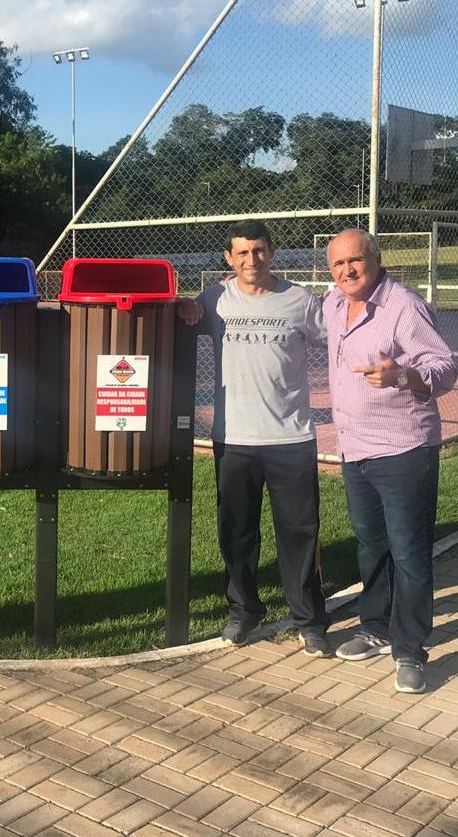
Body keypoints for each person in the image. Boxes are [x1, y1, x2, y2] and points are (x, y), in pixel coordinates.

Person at [177, 219, 331, 656]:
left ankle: (309, 619)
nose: (251, 260)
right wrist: (181, 305)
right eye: (242, 253)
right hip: (234, 438)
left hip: (291, 437)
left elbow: (338, 341)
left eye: (259, 250)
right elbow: (182, 313)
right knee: (237, 532)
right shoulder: (214, 300)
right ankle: (244, 611)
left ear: (272, 251)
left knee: (300, 532)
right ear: (229, 258)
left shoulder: (299, 300)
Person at [324, 229, 457, 694]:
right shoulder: (333, 305)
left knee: (410, 552)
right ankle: (376, 628)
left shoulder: (403, 305)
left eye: (355, 261)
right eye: (337, 264)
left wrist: (403, 376)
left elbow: (445, 369)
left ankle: (411, 649)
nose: (347, 271)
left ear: (377, 259)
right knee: (371, 545)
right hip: (355, 449)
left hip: (403, 451)